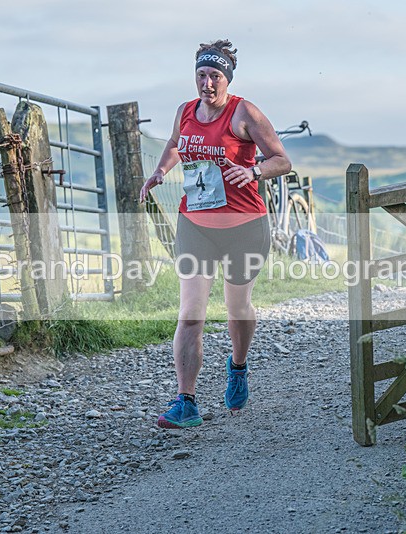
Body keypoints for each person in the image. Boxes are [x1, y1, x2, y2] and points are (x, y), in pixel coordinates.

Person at [139, 39, 291, 429]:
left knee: (237, 309)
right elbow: (176, 144)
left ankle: (237, 367)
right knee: (190, 314)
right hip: (196, 225)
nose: (207, 84)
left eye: (215, 76)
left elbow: (282, 160)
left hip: (244, 226)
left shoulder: (245, 113)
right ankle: (185, 401)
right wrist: (161, 171)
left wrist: (254, 171)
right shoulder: (185, 112)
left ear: (227, 79)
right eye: (202, 75)